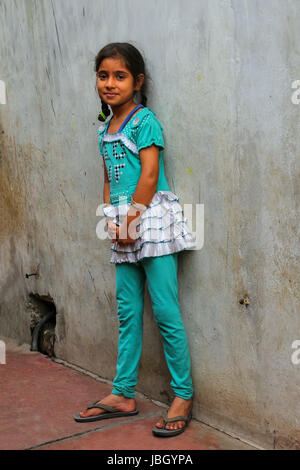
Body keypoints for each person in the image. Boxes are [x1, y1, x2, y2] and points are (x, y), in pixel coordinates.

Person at [74, 42, 196, 437]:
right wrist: (110, 219)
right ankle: (123, 393)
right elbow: (109, 180)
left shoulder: (145, 122)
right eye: (103, 75)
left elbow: (148, 175)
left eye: (120, 76)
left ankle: (182, 394)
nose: (110, 83)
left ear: (137, 81)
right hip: (122, 226)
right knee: (127, 312)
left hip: (150, 222)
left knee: (165, 311)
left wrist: (132, 219)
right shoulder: (104, 130)